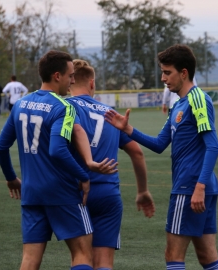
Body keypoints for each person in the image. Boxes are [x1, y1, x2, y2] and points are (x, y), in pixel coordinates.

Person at [0, 50, 117, 270]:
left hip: (31, 193)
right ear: (57, 76)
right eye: (70, 75)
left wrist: (12, 178)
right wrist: (83, 175)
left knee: (30, 260)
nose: (72, 81)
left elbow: (0, 147)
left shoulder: (21, 104)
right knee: (82, 253)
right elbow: (57, 150)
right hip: (62, 193)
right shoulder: (64, 107)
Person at [105, 44, 218, 270]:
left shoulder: (197, 99)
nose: (163, 78)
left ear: (184, 72)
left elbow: (213, 146)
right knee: (207, 255)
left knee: (173, 255)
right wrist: (129, 130)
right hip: (200, 187)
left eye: (168, 72)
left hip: (190, 188)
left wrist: (198, 186)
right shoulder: (178, 104)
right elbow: (160, 144)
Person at [66, 59, 155, 270]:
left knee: (81, 257)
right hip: (108, 194)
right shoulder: (110, 113)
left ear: (70, 82)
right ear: (92, 83)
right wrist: (142, 190)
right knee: (104, 262)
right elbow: (137, 153)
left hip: (77, 191)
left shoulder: (65, 108)